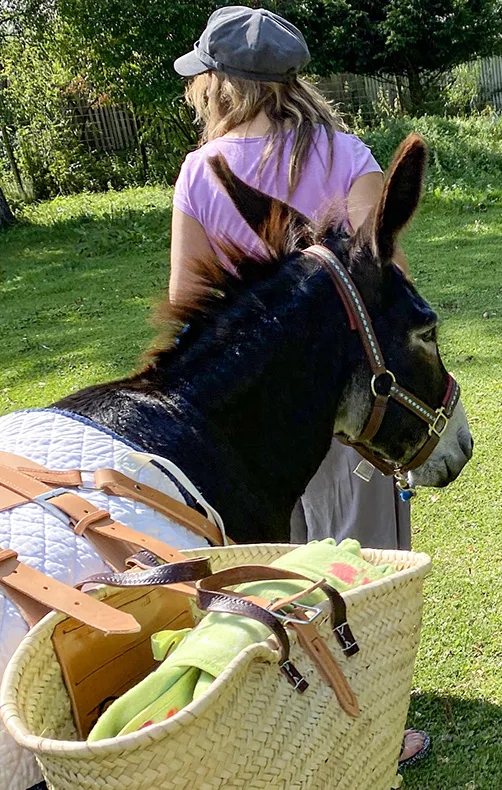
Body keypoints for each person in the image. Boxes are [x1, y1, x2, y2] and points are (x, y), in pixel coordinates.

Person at [169, 6, 429, 770]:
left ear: (221, 85)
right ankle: (375, 720)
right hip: (347, 395)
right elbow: (386, 279)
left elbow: (188, 301)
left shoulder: (199, 172)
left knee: (277, 555)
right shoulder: (348, 154)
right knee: (364, 554)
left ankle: (295, 700)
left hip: (251, 406)